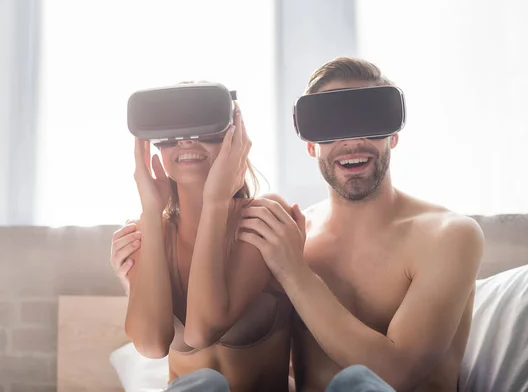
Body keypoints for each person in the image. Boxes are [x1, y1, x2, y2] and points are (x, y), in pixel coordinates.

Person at [117, 58, 485, 392]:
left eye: (370, 122)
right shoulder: (289, 232)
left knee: (355, 383)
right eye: (330, 125)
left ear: (394, 134)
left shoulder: (448, 235)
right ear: (311, 145)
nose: (352, 140)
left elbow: (397, 374)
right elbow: (170, 343)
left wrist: (294, 270)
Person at [110, 93, 295, 392]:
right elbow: (151, 344)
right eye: (171, 133)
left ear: (234, 137)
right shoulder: (146, 233)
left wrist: (216, 202)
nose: (185, 141)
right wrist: (152, 214)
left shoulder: (264, 217)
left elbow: (201, 330)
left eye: (204, 129)